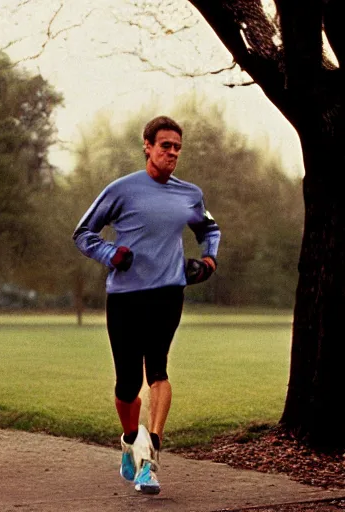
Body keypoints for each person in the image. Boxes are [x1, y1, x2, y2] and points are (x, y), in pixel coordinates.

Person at [72, 116, 221, 494]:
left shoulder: (189, 194)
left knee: (158, 370)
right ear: (147, 146)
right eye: (165, 145)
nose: (172, 153)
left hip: (168, 293)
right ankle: (129, 440)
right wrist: (111, 254)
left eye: (177, 148)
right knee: (127, 384)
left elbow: (209, 229)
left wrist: (209, 260)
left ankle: (150, 456)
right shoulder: (121, 190)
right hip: (125, 297)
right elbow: (83, 233)